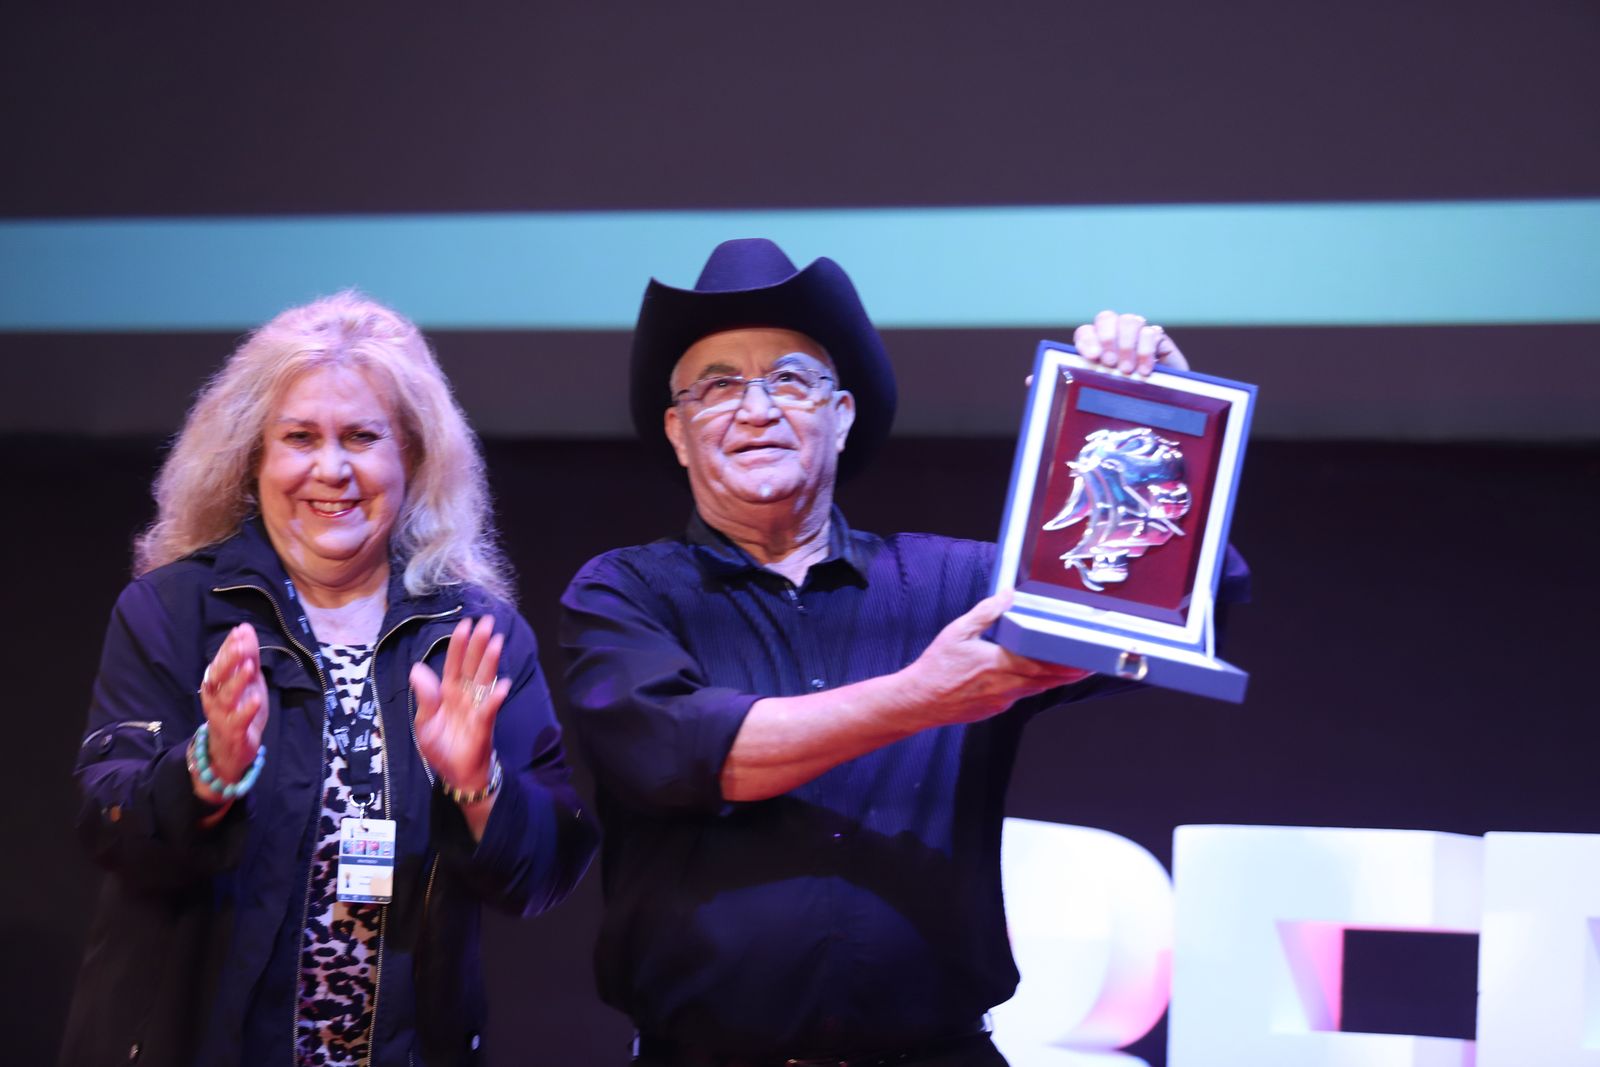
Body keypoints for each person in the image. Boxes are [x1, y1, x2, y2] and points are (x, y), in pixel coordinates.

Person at [560, 238, 1248, 1065]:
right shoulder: (626, 592)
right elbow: (683, 756)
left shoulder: (952, 585)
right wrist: (924, 694)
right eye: (717, 387)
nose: (755, 408)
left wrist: (1147, 415)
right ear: (678, 430)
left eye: (790, 380)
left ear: (841, 415)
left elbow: (1185, 597)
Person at [61, 292, 597, 1067]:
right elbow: (105, 820)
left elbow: (543, 874)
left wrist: (478, 783)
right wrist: (210, 768)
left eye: (362, 437)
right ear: (254, 459)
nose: (332, 468)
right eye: (300, 437)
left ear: (410, 459)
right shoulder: (175, 611)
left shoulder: (473, 637)